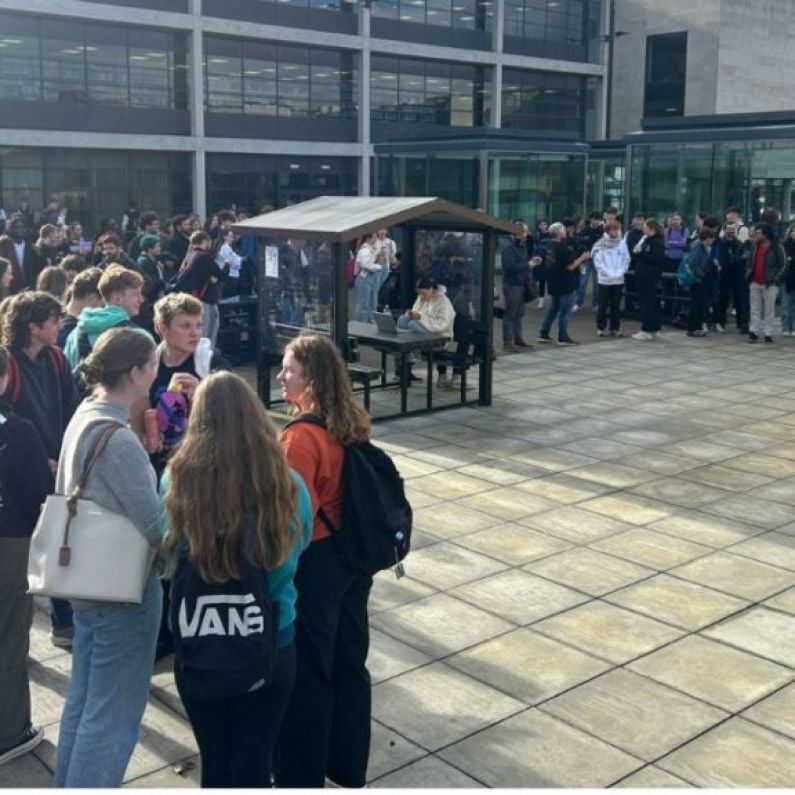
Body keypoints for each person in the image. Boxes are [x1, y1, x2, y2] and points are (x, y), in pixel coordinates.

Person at [161, 371, 312, 787]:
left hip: (197, 641)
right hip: (271, 640)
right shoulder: (289, 486)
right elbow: (300, 548)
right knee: (254, 761)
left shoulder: (175, 481)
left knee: (216, 760)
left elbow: (167, 552)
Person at [54, 328, 163, 788]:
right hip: (123, 591)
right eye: (152, 365)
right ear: (136, 373)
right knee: (114, 716)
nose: (156, 373)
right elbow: (158, 527)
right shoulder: (116, 438)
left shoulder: (87, 412)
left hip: (87, 582)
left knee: (84, 701)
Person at [276, 334, 374, 789]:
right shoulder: (348, 419)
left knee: (309, 674)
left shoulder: (299, 437)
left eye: (289, 369)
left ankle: (302, 775)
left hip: (317, 561)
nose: (281, 375)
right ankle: (348, 766)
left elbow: (293, 517)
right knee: (349, 662)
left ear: (311, 377)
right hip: (352, 556)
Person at [0, 291, 82, 648]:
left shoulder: (58, 359)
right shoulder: (9, 366)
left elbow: (71, 407)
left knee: (58, 540)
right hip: (23, 471)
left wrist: (66, 454)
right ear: (33, 326)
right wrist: (40, 459)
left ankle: (62, 621)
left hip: (58, 461)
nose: (59, 324)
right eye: (53, 319)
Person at [0, 344, 53, 767]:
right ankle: (9, 731)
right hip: (9, 543)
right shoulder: (18, 433)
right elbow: (41, 491)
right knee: (8, 635)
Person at [64, 266, 145, 367]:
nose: (141, 299)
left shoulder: (75, 334)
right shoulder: (138, 337)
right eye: (135, 294)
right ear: (118, 298)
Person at [537, 221, 589, 346]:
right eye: (563, 230)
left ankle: (544, 333)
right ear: (559, 233)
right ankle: (562, 336)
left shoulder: (549, 247)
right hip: (565, 283)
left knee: (553, 309)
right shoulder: (563, 248)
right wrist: (582, 258)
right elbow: (570, 266)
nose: (565, 231)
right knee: (565, 311)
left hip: (553, 283)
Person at [397, 274, 455, 386]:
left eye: (423, 293)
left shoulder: (443, 302)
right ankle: (405, 360)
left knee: (413, 325)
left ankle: (410, 354)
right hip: (422, 334)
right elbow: (415, 311)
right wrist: (410, 315)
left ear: (432, 289)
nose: (421, 296)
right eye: (419, 294)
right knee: (402, 320)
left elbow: (441, 325)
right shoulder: (421, 297)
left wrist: (421, 318)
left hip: (439, 338)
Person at [174, 231, 226, 346]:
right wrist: (225, 267)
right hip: (206, 299)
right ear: (204, 241)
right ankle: (206, 360)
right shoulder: (204, 257)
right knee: (208, 332)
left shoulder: (189, 255)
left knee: (196, 331)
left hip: (192, 298)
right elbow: (221, 275)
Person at [746, 223, 787, 344]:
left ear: (766, 234)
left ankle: (768, 333)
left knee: (769, 309)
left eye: (759, 233)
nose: (756, 235)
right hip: (755, 281)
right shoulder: (755, 246)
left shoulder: (777, 248)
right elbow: (749, 262)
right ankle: (753, 331)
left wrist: (775, 279)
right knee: (754, 308)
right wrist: (748, 274)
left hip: (770, 283)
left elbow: (784, 265)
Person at [592, 220, 630, 337]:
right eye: (613, 229)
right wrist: (609, 274)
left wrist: (620, 272)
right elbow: (598, 263)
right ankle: (600, 327)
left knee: (615, 305)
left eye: (617, 229)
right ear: (608, 231)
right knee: (603, 305)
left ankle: (615, 328)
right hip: (605, 280)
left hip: (618, 280)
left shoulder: (622, 243)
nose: (615, 232)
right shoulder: (600, 244)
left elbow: (626, 259)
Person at [500, 221, 533, 353]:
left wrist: (531, 263)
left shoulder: (521, 245)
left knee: (519, 313)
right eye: (525, 231)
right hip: (512, 284)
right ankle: (507, 341)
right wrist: (527, 265)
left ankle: (518, 338)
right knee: (510, 313)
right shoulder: (509, 247)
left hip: (521, 283)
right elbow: (509, 267)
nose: (527, 234)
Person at [631, 219, 666, 341]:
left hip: (649, 277)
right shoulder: (647, 239)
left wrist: (641, 253)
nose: (643, 230)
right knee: (650, 303)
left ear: (652, 229)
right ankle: (654, 328)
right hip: (644, 275)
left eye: (645, 228)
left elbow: (655, 259)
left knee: (647, 303)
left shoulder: (657, 242)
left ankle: (647, 329)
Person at [715, 222, 750, 334]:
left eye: (733, 229)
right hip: (723, 275)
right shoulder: (719, 243)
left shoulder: (739, 243)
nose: (731, 231)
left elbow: (741, 258)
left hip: (736, 275)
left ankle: (741, 323)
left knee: (738, 299)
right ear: (724, 230)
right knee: (723, 299)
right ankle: (720, 322)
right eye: (729, 229)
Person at [58, 268, 103, 349]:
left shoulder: (52, 324)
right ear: (93, 298)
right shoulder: (84, 336)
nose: (104, 310)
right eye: (103, 304)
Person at [686, 226, 718, 337]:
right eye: (712, 238)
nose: (713, 240)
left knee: (700, 304)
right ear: (707, 238)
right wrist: (702, 274)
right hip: (697, 280)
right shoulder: (698, 247)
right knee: (696, 304)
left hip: (701, 279)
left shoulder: (704, 247)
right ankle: (693, 328)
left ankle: (697, 327)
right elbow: (693, 263)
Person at [0, 213, 41, 292]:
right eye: (16, 227)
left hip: (27, 284)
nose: (19, 230)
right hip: (9, 284)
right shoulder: (5, 244)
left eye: (22, 227)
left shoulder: (29, 246)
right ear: (10, 229)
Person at [574, 210, 603, 311]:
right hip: (586, 260)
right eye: (594, 219)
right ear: (590, 219)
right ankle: (578, 302)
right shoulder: (585, 230)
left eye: (597, 219)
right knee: (582, 283)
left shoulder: (602, 231)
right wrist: (585, 253)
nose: (595, 221)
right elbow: (581, 244)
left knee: (596, 284)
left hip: (598, 260)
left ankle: (595, 304)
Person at [353, 233, 379, 323]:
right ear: (369, 238)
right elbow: (365, 264)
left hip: (368, 277)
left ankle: (368, 321)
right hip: (364, 277)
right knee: (363, 302)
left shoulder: (370, 250)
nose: (376, 240)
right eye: (374, 237)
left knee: (369, 301)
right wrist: (378, 267)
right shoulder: (365, 250)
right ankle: (361, 323)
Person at [532, 218, 552, 308]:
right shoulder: (536, 236)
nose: (543, 226)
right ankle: (541, 300)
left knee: (551, 280)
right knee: (542, 281)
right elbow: (535, 248)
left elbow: (552, 247)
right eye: (541, 224)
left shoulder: (551, 235)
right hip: (540, 260)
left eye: (544, 224)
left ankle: (554, 299)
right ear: (538, 226)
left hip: (550, 260)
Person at [781, 223, 795, 336]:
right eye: (793, 231)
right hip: (786, 279)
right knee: (786, 305)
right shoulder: (784, 246)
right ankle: (785, 327)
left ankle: (793, 327)